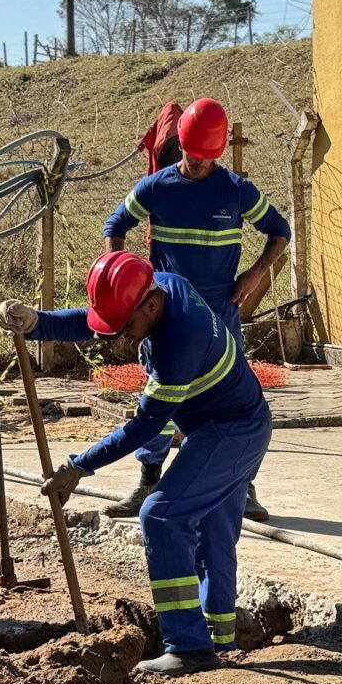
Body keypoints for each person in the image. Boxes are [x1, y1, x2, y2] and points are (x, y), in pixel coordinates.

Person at [1, 250, 270, 675]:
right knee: (213, 535)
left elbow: (144, 428)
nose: (123, 338)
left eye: (128, 327)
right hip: (233, 425)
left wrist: (78, 467)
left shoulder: (178, 343)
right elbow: (100, 322)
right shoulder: (160, 284)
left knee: (161, 515)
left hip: (231, 432)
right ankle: (222, 643)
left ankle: (187, 646)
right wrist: (38, 322)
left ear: (150, 304)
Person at [102, 97, 289, 521]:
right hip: (167, 323)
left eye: (209, 158)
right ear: (180, 145)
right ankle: (149, 481)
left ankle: (242, 486)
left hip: (221, 321)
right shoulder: (156, 188)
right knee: (159, 399)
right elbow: (115, 227)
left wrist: (257, 273)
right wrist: (121, 278)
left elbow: (279, 231)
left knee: (235, 406)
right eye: (193, 156)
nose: (201, 164)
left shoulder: (237, 191)